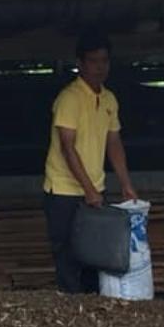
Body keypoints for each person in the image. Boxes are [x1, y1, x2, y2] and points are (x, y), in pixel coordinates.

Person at [42, 29, 138, 294]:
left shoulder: (109, 99)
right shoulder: (69, 98)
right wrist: (88, 189)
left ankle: (92, 307)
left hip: (95, 187)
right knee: (67, 254)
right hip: (63, 190)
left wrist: (126, 183)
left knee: (95, 252)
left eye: (104, 61)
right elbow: (67, 147)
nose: (100, 67)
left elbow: (114, 142)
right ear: (80, 63)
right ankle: (71, 307)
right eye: (93, 61)